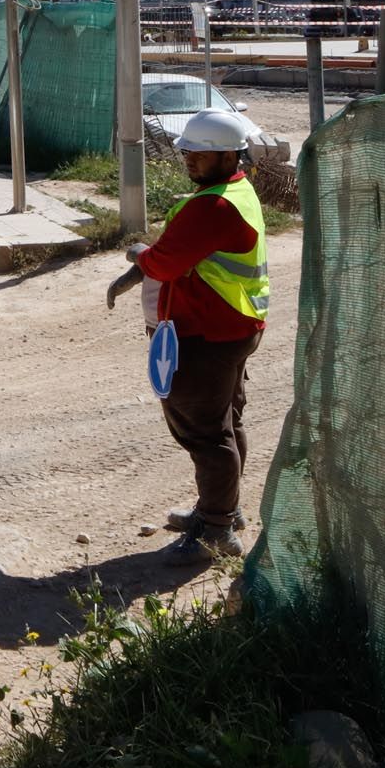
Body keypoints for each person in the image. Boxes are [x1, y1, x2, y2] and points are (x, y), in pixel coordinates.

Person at [119, 109, 269, 564]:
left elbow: (164, 264)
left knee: (205, 433)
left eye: (200, 154)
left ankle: (218, 530)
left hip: (206, 333)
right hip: (232, 326)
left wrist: (141, 254)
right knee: (225, 423)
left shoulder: (215, 205)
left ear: (228, 155)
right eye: (188, 151)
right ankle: (223, 510)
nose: (189, 158)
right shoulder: (237, 191)